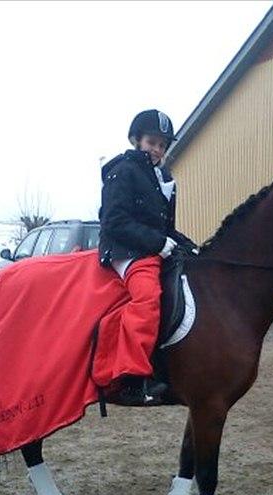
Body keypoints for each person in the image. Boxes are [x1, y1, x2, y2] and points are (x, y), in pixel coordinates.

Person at [98, 109, 197, 404]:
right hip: (125, 250)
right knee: (147, 297)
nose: (157, 150)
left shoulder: (164, 180)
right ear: (135, 140)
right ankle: (131, 379)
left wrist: (192, 247)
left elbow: (167, 229)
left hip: (150, 246)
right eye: (152, 142)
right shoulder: (123, 171)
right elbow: (114, 221)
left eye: (162, 145)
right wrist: (157, 243)